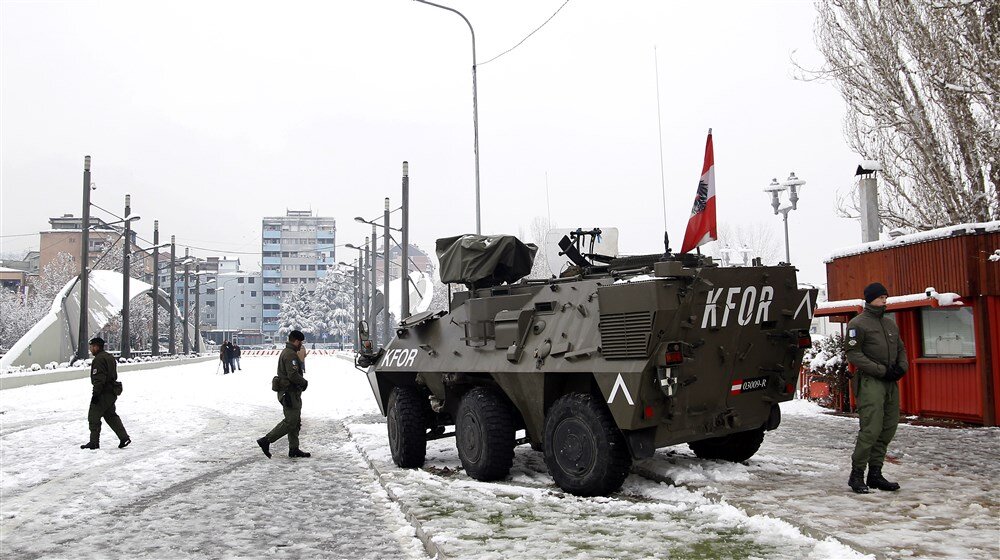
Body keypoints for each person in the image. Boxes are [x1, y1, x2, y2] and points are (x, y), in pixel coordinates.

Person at [845, 282, 908, 493]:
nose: (884, 301)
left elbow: (900, 348)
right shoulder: (858, 324)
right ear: (870, 299)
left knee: (888, 428)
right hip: (871, 381)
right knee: (871, 429)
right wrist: (881, 371)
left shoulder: (890, 324)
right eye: (881, 297)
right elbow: (854, 354)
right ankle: (857, 475)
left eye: (885, 298)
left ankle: (875, 474)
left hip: (890, 382)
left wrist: (902, 367)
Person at [256, 330, 310, 459]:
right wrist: (304, 382)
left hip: (290, 392)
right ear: (296, 341)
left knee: (295, 421)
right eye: (300, 342)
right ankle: (266, 440)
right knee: (290, 421)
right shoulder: (290, 354)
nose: (301, 344)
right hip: (289, 392)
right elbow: (292, 375)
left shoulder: (288, 352)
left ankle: (294, 449)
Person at [81, 337, 131, 450]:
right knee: (110, 416)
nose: (90, 349)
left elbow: (99, 379)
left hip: (103, 393)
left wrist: (96, 395)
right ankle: (124, 437)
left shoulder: (99, 359)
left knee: (93, 417)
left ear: (96, 347)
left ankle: (94, 442)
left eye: (92, 347)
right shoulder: (109, 357)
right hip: (111, 392)